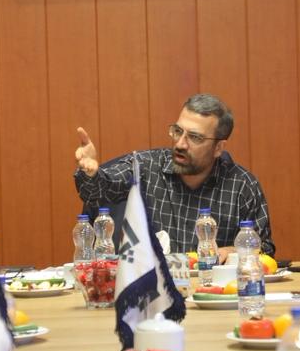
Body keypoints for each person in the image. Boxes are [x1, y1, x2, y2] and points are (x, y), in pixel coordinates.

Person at [74, 93, 273, 259]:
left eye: (195, 137)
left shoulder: (242, 185)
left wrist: (232, 251)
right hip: (154, 290)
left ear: (218, 147)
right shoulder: (144, 167)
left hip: (212, 289)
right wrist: (91, 173)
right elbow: (99, 190)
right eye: (178, 131)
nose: (180, 144)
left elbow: (265, 248)